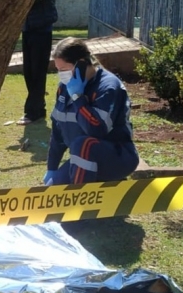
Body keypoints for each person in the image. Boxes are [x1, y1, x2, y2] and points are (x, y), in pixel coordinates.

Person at [43, 37, 139, 186]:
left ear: (81, 63)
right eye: (58, 70)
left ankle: (79, 203)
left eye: (64, 69)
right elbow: (58, 131)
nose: (61, 75)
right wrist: (52, 168)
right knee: (54, 189)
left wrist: (78, 98)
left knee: (84, 144)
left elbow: (96, 130)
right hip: (83, 160)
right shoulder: (64, 88)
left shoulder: (108, 86)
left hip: (118, 156)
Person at [17, 0, 58, 126]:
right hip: (28, 27)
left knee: (37, 71)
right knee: (29, 71)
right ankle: (39, 109)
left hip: (41, 29)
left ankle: (33, 112)